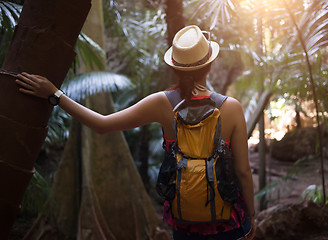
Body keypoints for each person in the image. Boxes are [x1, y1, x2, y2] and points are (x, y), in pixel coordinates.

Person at [16, 25, 256, 240]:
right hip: (229, 224)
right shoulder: (231, 108)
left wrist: (55, 95)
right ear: (210, 65)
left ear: (175, 68)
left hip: (185, 223)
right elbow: (243, 172)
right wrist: (252, 216)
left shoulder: (162, 104)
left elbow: (102, 124)